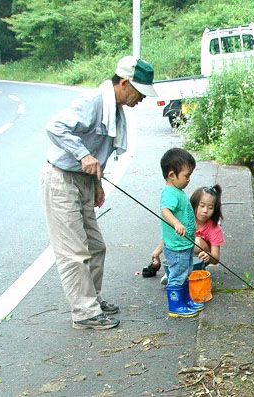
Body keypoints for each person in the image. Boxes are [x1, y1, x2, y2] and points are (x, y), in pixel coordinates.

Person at [41, 55, 158, 330]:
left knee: (96, 247)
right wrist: (83, 155)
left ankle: (91, 298)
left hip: (84, 180)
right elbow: (54, 127)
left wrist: (96, 184)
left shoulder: (115, 109)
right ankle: (84, 313)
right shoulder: (94, 101)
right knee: (74, 251)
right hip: (61, 179)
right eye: (140, 93)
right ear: (126, 83)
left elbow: (100, 153)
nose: (141, 99)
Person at [157, 148, 204, 318]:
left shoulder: (178, 191)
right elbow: (165, 211)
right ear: (172, 175)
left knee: (186, 272)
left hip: (185, 244)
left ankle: (186, 300)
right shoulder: (170, 193)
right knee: (177, 275)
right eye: (186, 176)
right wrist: (176, 223)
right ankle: (176, 306)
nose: (188, 180)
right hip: (177, 246)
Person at [148, 185, 225, 283]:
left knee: (195, 241)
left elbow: (216, 259)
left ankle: (193, 270)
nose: (205, 211)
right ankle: (175, 271)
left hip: (199, 257)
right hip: (179, 255)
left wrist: (209, 255)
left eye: (210, 208)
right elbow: (170, 236)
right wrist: (157, 251)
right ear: (193, 204)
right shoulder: (186, 219)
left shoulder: (215, 229)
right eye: (202, 206)